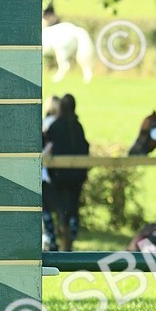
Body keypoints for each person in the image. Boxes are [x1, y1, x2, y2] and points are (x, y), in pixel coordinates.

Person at [45, 94, 90, 251]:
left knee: (59, 210)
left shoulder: (55, 127)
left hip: (58, 177)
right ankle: (68, 241)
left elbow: (48, 149)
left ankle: (56, 239)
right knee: (71, 209)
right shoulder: (78, 127)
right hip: (76, 177)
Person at [41, 95, 61, 252]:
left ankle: (49, 239)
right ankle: (51, 239)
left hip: (43, 173)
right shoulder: (57, 124)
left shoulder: (44, 123)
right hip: (50, 174)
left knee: (44, 210)